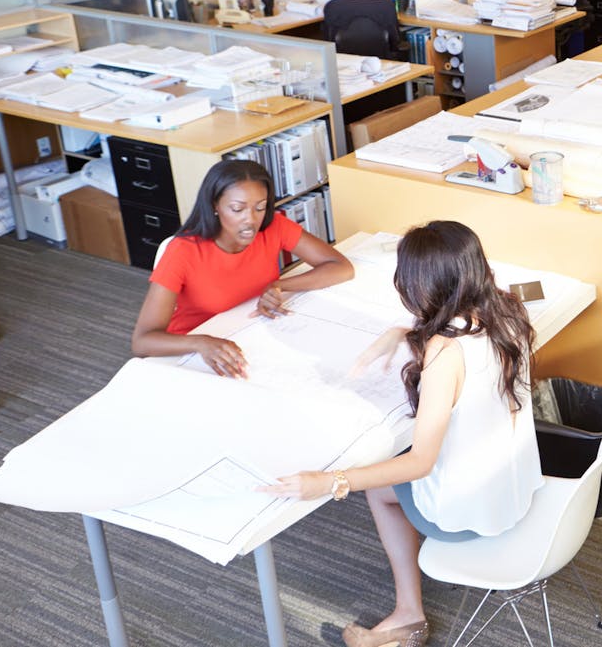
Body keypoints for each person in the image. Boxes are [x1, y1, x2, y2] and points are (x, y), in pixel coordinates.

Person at [266, 221, 542, 647]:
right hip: (517, 486)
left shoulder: (445, 354)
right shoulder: (508, 309)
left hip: (473, 511)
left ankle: (408, 615)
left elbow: (420, 463)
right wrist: (401, 335)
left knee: (379, 487)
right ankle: (407, 612)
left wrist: (332, 482)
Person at [131, 159, 354, 377]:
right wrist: (200, 342)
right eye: (238, 209)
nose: (251, 220)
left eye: (260, 207)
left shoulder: (273, 227)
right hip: (192, 350)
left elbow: (341, 267)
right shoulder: (183, 251)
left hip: (248, 335)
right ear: (214, 206)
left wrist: (278, 285)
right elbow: (142, 341)